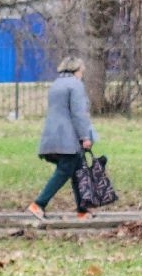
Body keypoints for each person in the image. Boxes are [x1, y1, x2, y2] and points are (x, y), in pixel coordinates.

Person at [29, 57, 96, 221]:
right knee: (65, 170)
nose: (82, 73)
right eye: (82, 70)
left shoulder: (56, 84)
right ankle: (39, 204)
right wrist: (85, 136)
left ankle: (83, 210)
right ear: (76, 70)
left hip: (52, 135)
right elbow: (79, 114)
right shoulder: (76, 85)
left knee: (77, 170)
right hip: (68, 138)